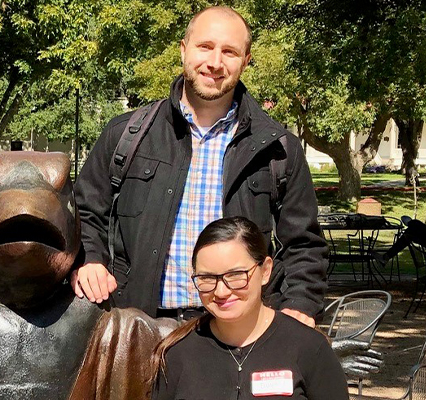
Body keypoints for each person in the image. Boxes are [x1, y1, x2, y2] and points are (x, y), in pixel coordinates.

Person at [72, 5, 327, 326]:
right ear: (183, 50)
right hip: (141, 330)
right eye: (205, 46)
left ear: (246, 61)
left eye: (230, 51)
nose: (215, 62)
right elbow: (83, 213)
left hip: (241, 337)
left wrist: (300, 303)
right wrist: (90, 259)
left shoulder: (278, 148)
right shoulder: (127, 134)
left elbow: (304, 244)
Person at [151, 217, 347, 400]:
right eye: (207, 278)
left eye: (236, 275)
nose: (220, 291)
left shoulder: (309, 348)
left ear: (265, 271)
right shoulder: (177, 355)